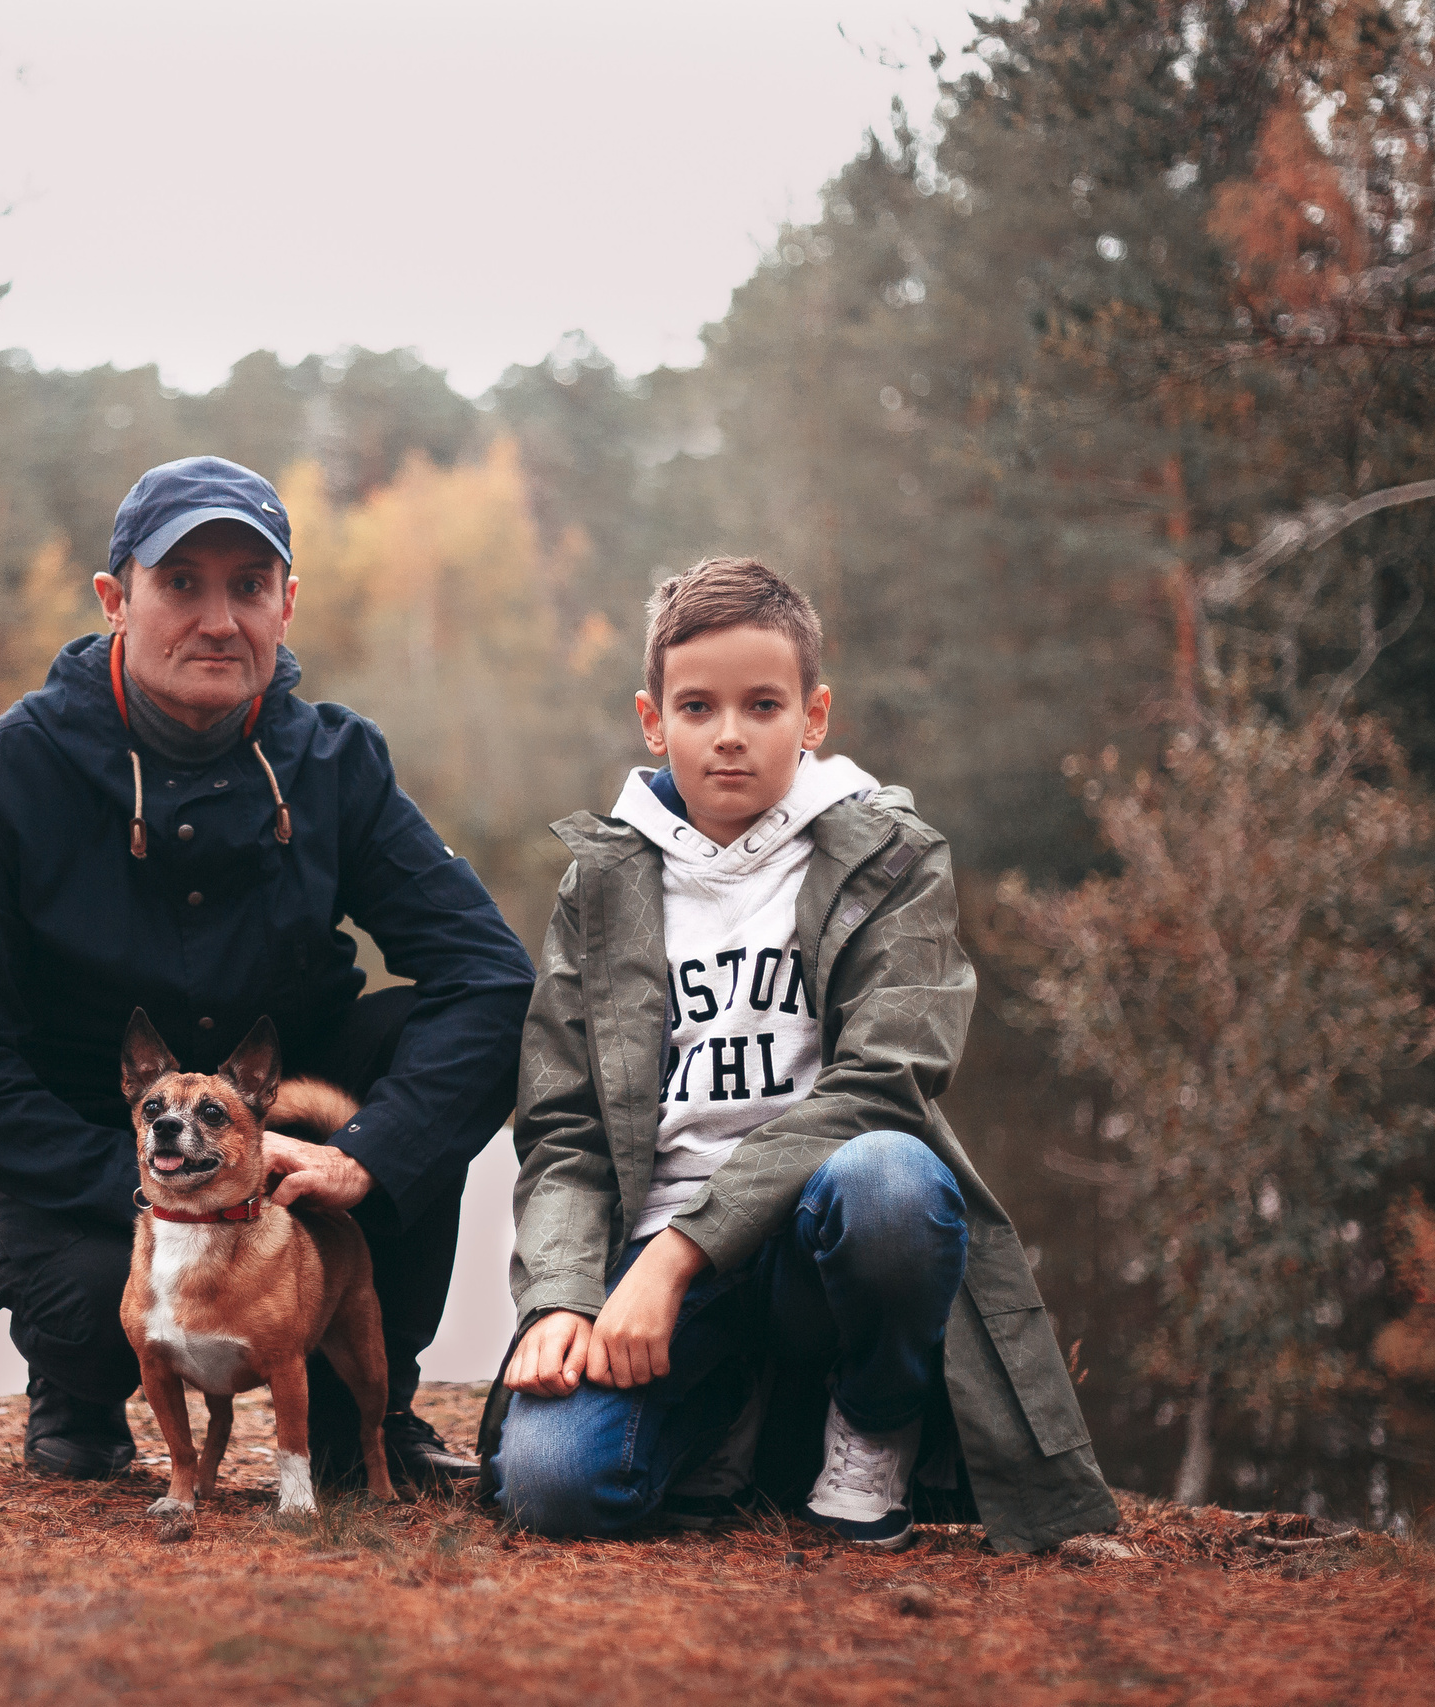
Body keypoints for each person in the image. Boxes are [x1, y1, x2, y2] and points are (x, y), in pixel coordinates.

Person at [0, 456, 536, 1488]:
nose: (218, 619)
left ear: (286, 604)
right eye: (180, 583)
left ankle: (365, 1405)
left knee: (435, 1037)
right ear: (116, 600)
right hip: (79, 1154)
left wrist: (367, 1152)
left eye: (247, 585)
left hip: (280, 1123)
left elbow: (490, 979)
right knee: (107, 1307)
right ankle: (82, 1392)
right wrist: (155, 1187)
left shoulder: (335, 765)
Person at [477, 557, 1116, 1552]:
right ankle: (740, 1421)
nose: (727, 734)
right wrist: (561, 1294)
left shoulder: (891, 859)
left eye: (761, 704)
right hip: (654, 1253)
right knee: (554, 1488)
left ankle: (870, 1428)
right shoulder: (600, 884)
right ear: (653, 721)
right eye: (696, 707)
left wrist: (686, 1251)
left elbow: (885, 1085)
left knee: (894, 1184)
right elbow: (562, 1129)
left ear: (813, 716)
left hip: (820, 1236)